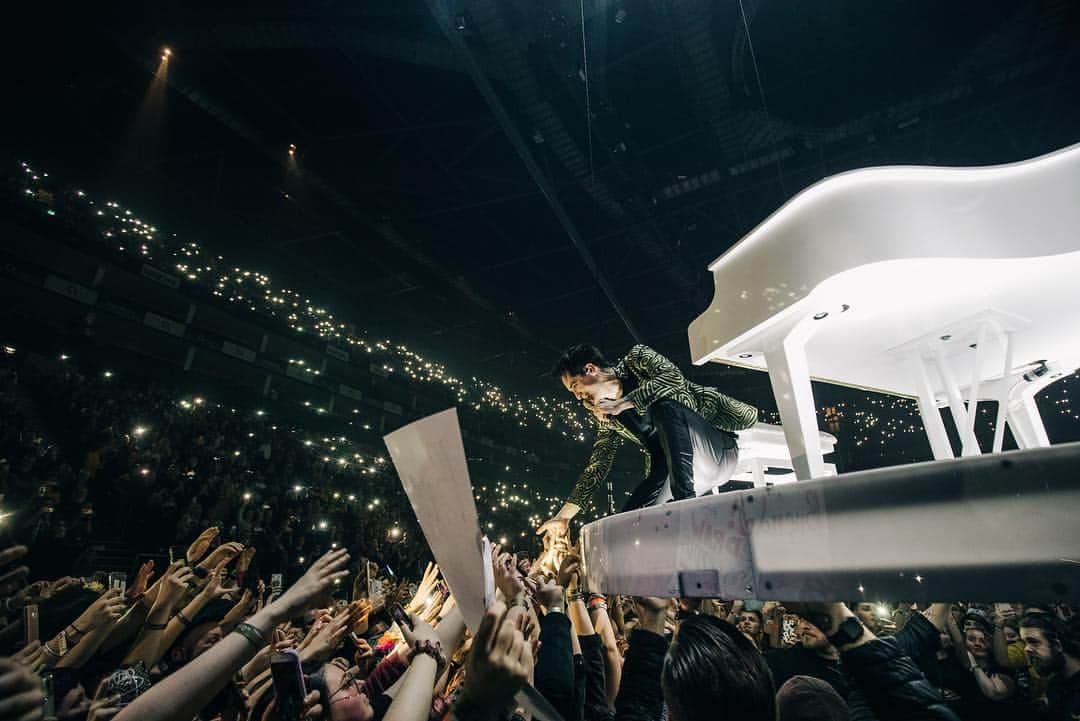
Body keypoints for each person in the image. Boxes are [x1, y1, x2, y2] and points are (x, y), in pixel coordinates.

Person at [537, 344, 757, 536]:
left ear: (590, 369)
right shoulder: (606, 416)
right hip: (675, 471)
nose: (577, 396)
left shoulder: (637, 359)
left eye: (575, 387)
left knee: (664, 407)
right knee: (628, 522)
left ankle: (687, 506)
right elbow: (598, 464)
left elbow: (674, 380)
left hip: (716, 451)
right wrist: (563, 516)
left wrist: (623, 403)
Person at [1019, 614, 1080, 720]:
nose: (1026, 649)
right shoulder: (1054, 684)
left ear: (1057, 645)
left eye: (1033, 642)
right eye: (1025, 642)